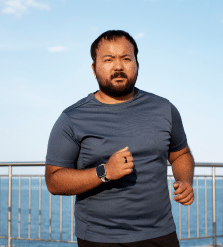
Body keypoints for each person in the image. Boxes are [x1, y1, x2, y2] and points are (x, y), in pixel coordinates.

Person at [45, 30, 195, 247]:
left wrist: (185, 181)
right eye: (108, 59)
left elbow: (181, 154)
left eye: (126, 58)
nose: (118, 66)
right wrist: (104, 172)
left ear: (137, 63)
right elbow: (54, 181)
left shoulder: (164, 109)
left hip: (160, 233)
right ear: (94, 68)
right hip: (100, 238)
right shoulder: (72, 118)